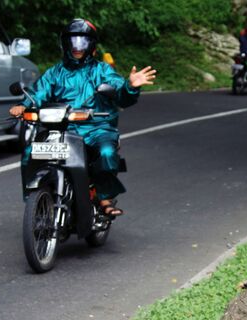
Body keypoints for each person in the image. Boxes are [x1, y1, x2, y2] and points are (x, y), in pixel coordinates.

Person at [9, 18, 156, 216]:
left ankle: (104, 199)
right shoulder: (55, 72)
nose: (77, 47)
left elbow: (120, 92)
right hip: (61, 129)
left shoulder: (102, 70)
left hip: (97, 128)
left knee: (105, 153)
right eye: (73, 41)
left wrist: (130, 86)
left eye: (83, 41)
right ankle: (36, 199)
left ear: (91, 45)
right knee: (30, 153)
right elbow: (38, 93)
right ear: (65, 44)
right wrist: (23, 105)